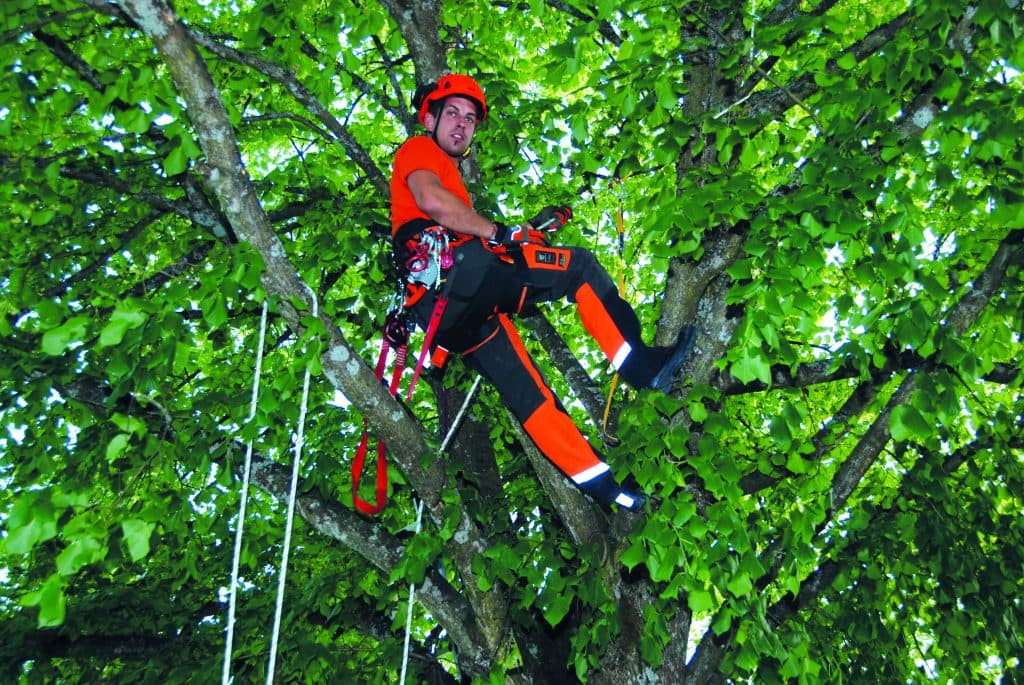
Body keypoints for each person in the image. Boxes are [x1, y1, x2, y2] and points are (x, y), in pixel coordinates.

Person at [389, 74, 695, 511]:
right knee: (581, 268)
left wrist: (523, 234)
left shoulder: (452, 181)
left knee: (530, 395)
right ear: (430, 118)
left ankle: (607, 489)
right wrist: (501, 231)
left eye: (470, 119)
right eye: (452, 113)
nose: (461, 125)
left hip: (453, 313)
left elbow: (473, 233)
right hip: (458, 279)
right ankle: (641, 367)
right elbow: (436, 205)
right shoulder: (418, 150)